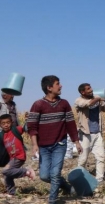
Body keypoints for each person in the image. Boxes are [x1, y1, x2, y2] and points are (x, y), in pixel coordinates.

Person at [27, 75, 82, 204]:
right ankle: (65, 186)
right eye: (58, 83)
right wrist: (35, 145)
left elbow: (70, 124)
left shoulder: (64, 104)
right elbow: (32, 127)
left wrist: (76, 142)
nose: (61, 85)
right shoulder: (38, 105)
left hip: (60, 144)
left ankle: (53, 200)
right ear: (49, 87)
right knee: (45, 176)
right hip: (44, 146)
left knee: (55, 173)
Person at [74, 83, 105, 182]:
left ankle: (99, 178)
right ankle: (80, 177)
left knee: (100, 156)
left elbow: (104, 108)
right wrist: (98, 98)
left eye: (91, 88)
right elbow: (88, 104)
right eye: (88, 89)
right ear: (82, 92)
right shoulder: (79, 100)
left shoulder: (96, 98)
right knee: (83, 158)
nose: (91, 90)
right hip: (85, 134)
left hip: (97, 132)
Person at [1, 114, 35, 197]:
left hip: (19, 156)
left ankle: (26, 171)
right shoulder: (2, 136)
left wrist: (28, 119)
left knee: (5, 171)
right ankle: (11, 192)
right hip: (12, 158)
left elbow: (26, 127)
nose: (6, 125)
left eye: (8, 122)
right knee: (8, 175)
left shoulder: (15, 130)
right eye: (3, 123)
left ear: (12, 123)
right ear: (0, 125)